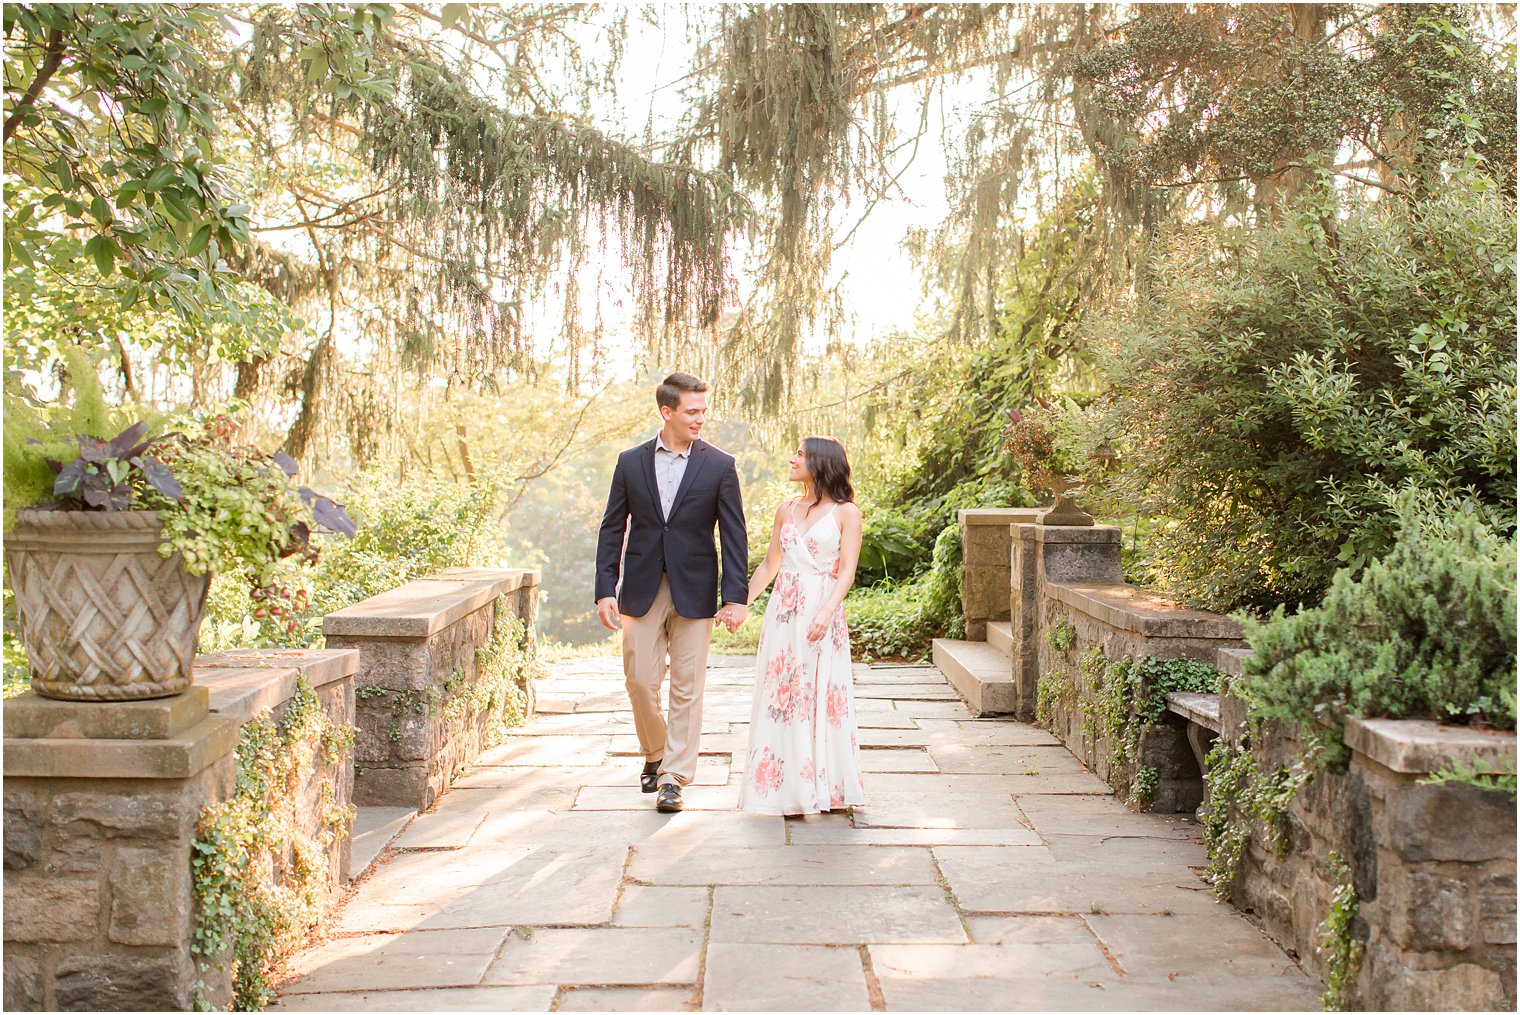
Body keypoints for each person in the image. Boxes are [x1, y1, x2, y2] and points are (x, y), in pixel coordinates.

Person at [595, 372, 749, 813]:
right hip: (641, 588)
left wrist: (734, 598)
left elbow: (734, 535)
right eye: (692, 411)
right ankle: (656, 751)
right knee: (640, 680)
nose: (701, 418)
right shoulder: (630, 462)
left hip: (696, 590)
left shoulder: (720, 465)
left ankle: (673, 778)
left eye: (704, 410)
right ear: (667, 412)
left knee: (688, 685)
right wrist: (605, 587)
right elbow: (612, 527)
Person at [739, 436, 866, 816]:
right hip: (783, 612)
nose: (792, 459)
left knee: (820, 696)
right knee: (783, 696)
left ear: (821, 461)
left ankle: (823, 785)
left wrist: (827, 612)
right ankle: (784, 787)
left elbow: (847, 572)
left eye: (800, 453)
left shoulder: (846, 513)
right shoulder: (785, 509)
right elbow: (768, 566)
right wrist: (737, 604)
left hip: (821, 609)